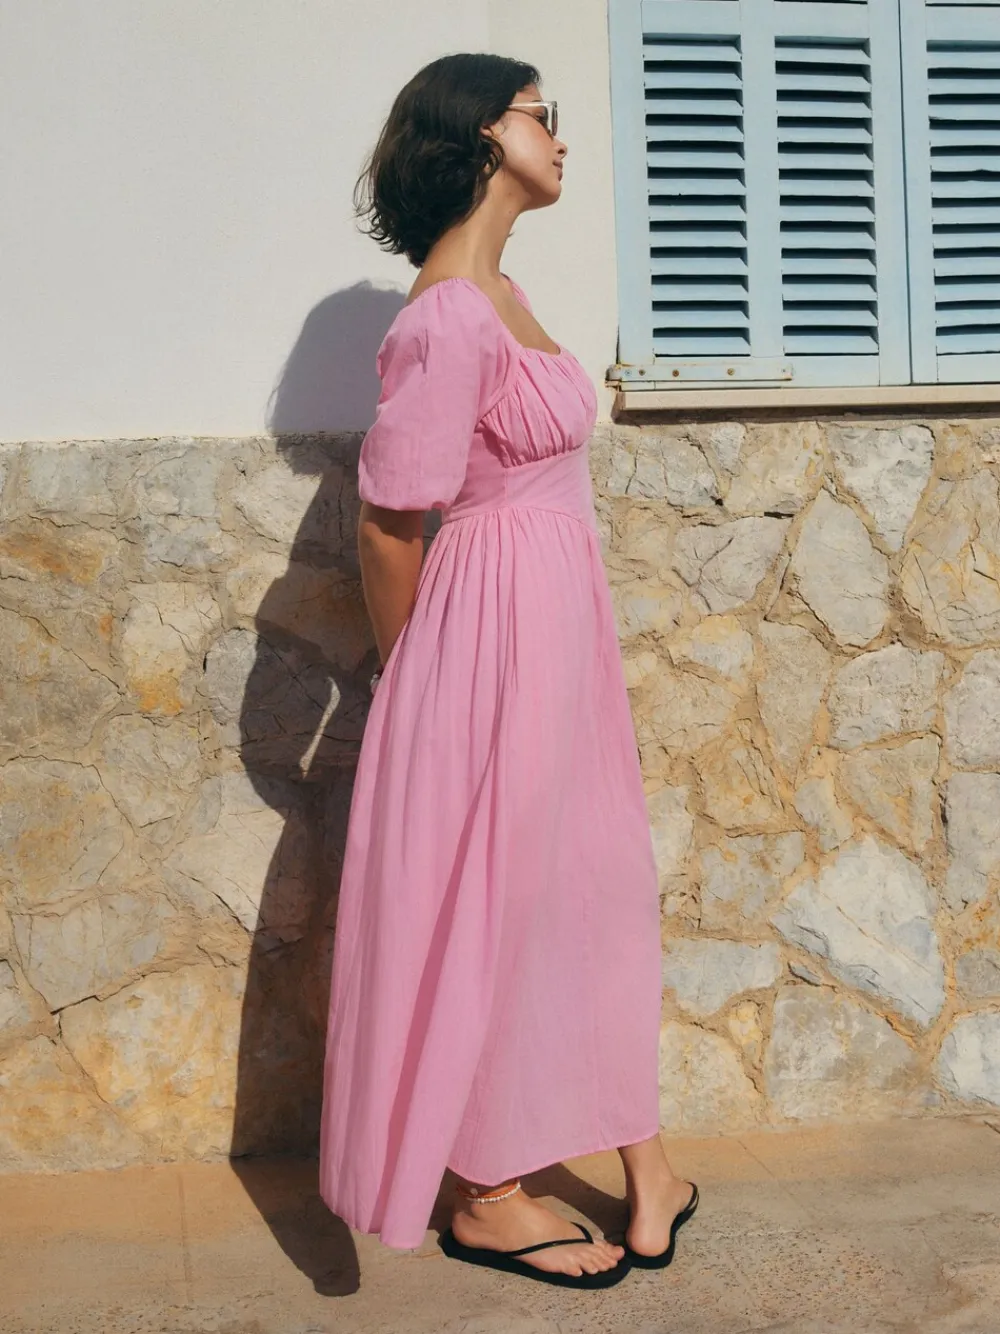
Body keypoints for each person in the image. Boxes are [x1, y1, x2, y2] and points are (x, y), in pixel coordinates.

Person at [319, 52, 698, 1290]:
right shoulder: (442, 316)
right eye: (544, 114)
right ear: (482, 135)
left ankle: (648, 1164)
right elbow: (391, 521)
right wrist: (416, 682)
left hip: (555, 631)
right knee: (504, 906)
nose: (561, 137)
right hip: (485, 645)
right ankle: (485, 1194)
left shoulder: (503, 293)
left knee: (593, 884)